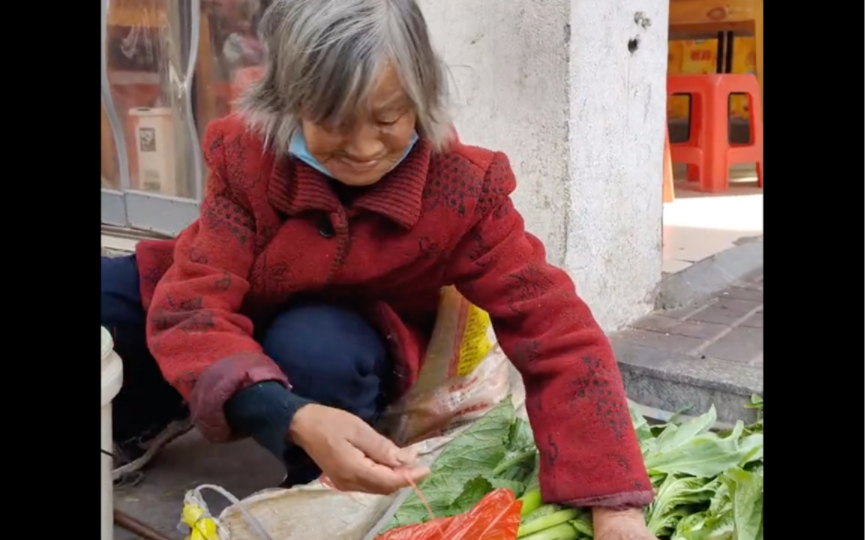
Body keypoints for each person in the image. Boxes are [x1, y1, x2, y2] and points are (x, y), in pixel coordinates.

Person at [101, 0, 659, 538]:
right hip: (245, 301)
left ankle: (318, 480)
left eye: (388, 118)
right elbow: (194, 304)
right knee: (118, 296)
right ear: (290, 102)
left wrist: (615, 510)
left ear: (422, 95)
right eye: (333, 122)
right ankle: (153, 409)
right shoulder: (246, 156)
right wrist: (287, 412)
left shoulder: (464, 187)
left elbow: (555, 330)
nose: (365, 148)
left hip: (347, 339)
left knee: (317, 348)